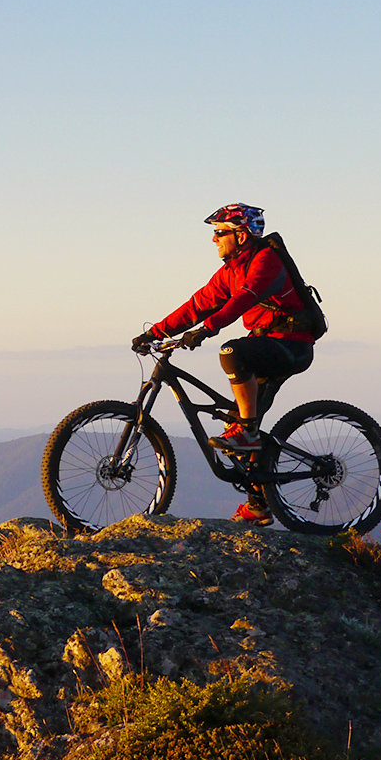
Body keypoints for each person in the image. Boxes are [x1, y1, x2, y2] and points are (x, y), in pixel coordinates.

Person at [130, 203, 318, 525]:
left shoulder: (265, 262)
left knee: (232, 352)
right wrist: (154, 332)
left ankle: (248, 431)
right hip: (267, 343)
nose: (213, 239)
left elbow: (241, 300)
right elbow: (197, 305)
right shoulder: (231, 270)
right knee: (237, 421)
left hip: (291, 344)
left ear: (241, 235)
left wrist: (205, 331)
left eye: (220, 232)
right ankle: (258, 504)